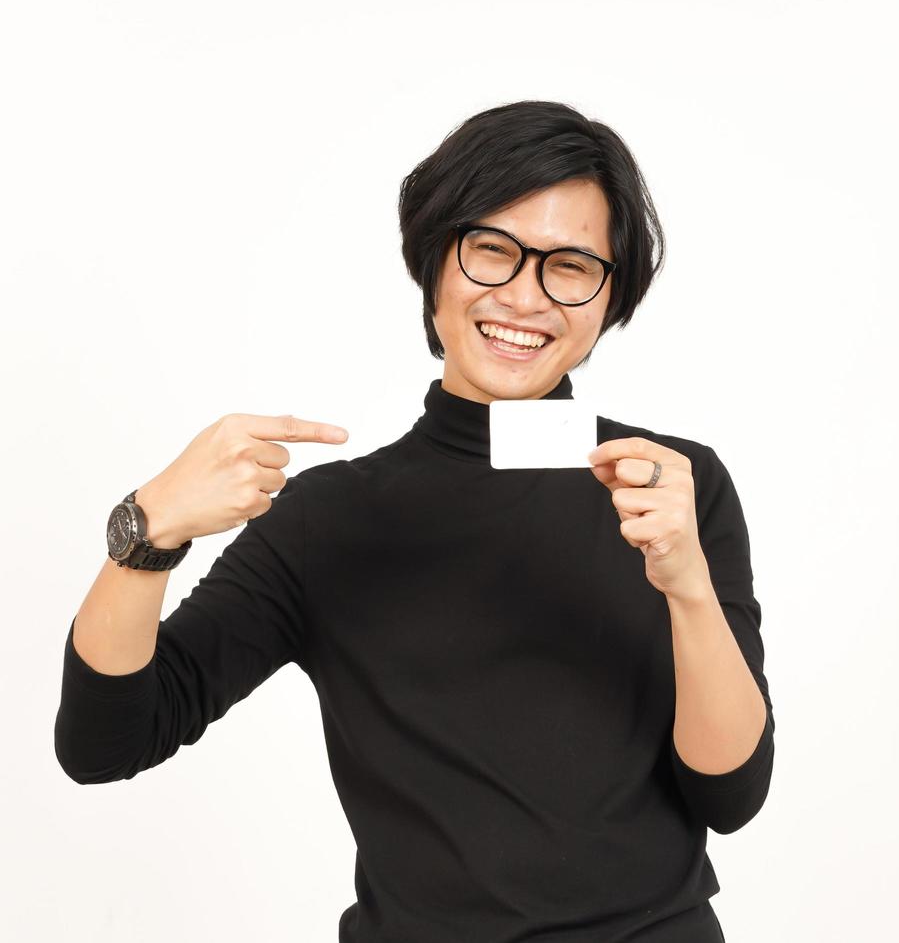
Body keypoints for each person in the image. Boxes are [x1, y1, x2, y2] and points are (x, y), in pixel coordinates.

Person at [54, 99, 775, 942]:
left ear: (609, 296)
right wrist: (149, 532)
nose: (527, 296)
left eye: (571, 265)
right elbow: (105, 744)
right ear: (435, 263)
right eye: (493, 251)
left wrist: (688, 587)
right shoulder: (333, 519)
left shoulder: (671, 492)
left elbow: (731, 794)